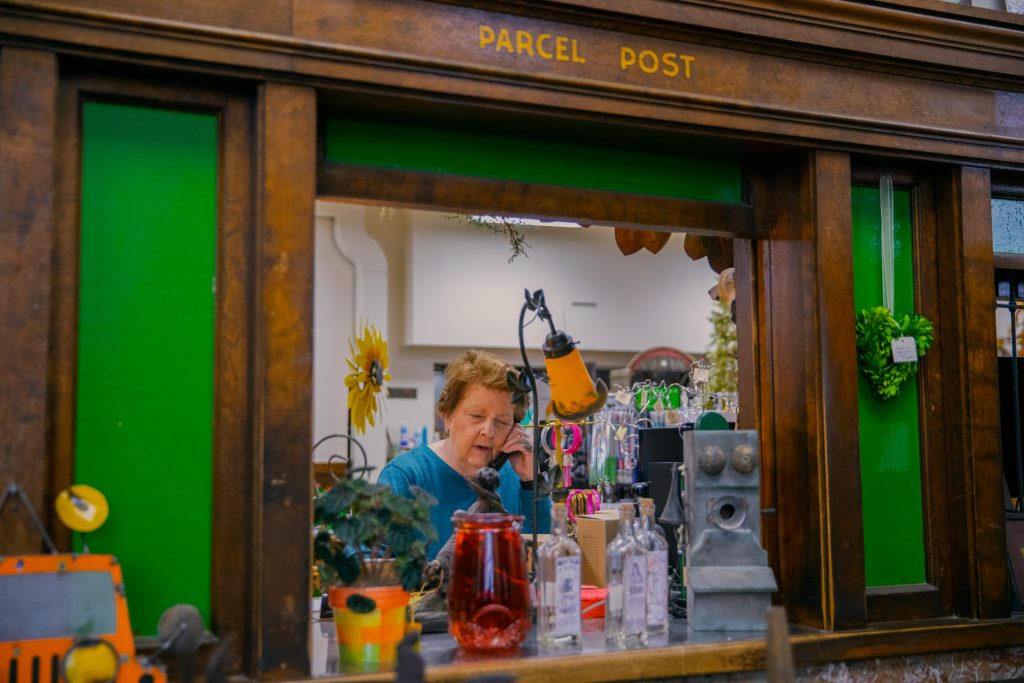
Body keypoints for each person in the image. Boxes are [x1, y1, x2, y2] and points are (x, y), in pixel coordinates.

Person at [378, 349, 551, 559]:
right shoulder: (404, 476)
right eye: (476, 416)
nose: (488, 431)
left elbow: (539, 556)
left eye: (502, 421)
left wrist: (531, 483)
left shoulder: (515, 476)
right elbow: (371, 566)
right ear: (447, 416)